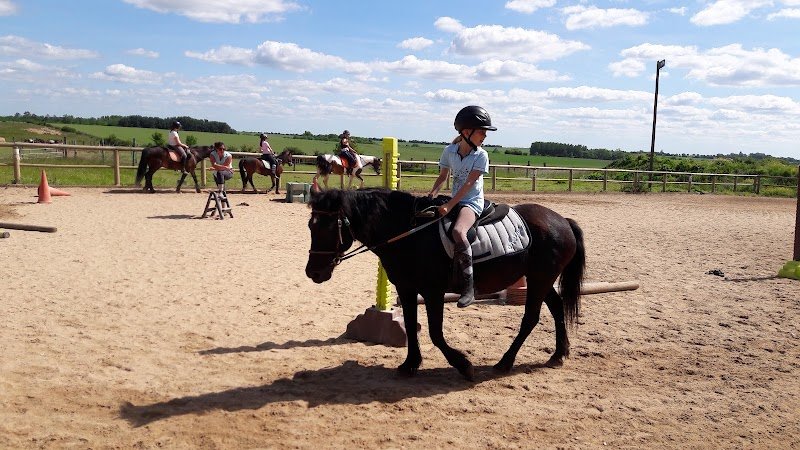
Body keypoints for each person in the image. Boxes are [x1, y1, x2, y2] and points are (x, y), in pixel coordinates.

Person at [427, 105, 495, 308]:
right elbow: (442, 177)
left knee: (458, 231)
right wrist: (432, 195)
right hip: (453, 198)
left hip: (471, 202)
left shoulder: (481, 155)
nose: (484, 135)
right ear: (467, 132)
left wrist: (449, 204)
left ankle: (468, 286)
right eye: (481, 131)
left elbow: (468, 184)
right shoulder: (449, 151)